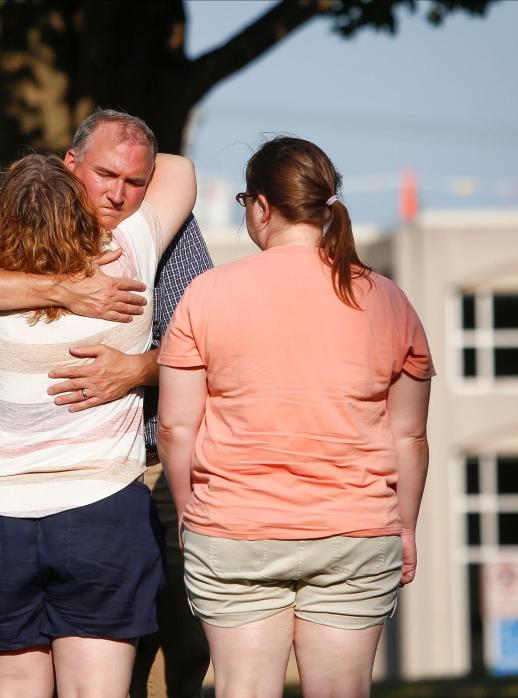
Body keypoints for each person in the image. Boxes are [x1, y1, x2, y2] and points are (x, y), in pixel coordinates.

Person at [0, 109, 212, 697]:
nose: (120, 194)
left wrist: (135, 368)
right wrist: (66, 287)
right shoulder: (131, 247)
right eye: (106, 175)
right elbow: (180, 170)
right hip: (104, 501)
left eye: (136, 181)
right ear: (70, 166)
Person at [157, 136, 435, 698]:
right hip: (355, 529)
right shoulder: (386, 299)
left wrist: (189, 512)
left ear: (260, 206)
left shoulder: (206, 295)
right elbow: (409, 434)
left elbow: (175, 428)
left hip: (233, 529)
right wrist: (405, 527)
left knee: (243, 688)